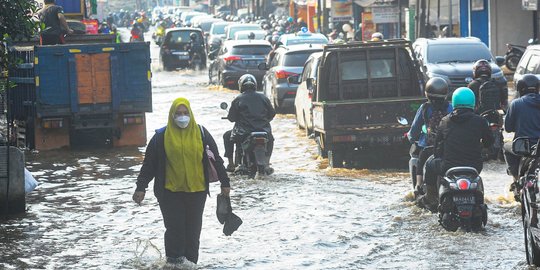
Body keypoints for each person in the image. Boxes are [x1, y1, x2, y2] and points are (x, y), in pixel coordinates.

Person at [133, 97, 231, 267]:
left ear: (191, 114)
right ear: (172, 116)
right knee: (175, 231)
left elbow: (217, 159)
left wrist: (225, 183)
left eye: (185, 113)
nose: (182, 117)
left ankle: (191, 264)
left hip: (197, 191)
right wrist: (141, 188)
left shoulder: (201, 133)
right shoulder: (160, 137)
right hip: (170, 192)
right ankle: (174, 264)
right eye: (178, 114)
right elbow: (149, 165)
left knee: (193, 233)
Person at [420, 87, 493, 211]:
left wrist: (439, 155)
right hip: (474, 166)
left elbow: (437, 149)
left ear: (454, 102)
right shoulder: (480, 121)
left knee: (429, 163)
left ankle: (431, 198)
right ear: (473, 103)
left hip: (447, 166)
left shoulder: (445, 121)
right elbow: (489, 142)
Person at [407, 77, 452, 198]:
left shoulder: (424, 108)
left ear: (427, 93)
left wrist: (411, 138)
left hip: (428, 146)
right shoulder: (450, 108)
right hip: (448, 147)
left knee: (420, 160)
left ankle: (418, 186)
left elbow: (414, 129)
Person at [223, 74, 276, 171]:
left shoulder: (238, 99)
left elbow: (231, 118)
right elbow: (272, 113)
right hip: (264, 131)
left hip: (244, 132)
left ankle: (231, 164)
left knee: (227, 136)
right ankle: (267, 163)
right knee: (271, 139)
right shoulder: (264, 98)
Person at [503, 74, 540, 199]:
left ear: (520, 89)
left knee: (506, 147)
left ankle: (516, 179)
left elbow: (508, 128)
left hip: (523, 148)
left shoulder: (516, 104)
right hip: (537, 148)